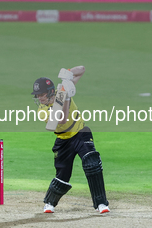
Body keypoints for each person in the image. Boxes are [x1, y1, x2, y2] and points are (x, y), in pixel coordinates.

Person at [31, 67, 110, 214]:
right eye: (37, 95)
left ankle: (102, 204)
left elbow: (82, 69)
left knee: (92, 164)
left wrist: (67, 76)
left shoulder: (62, 90)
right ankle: (49, 203)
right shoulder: (42, 110)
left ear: (49, 92)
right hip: (63, 140)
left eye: (41, 94)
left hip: (81, 133)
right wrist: (65, 97)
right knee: (62, 174)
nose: (39, 98)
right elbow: (62, 119)